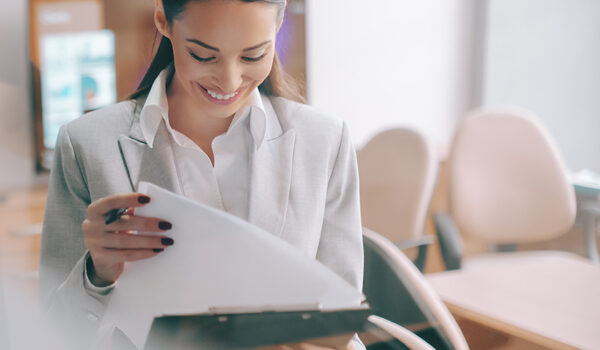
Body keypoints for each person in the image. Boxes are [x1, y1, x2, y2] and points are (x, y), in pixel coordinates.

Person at [40, 0, 364, 348]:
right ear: (164, 20)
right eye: (204, 55)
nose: (229, 80)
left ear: (279, 23)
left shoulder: (325, 140)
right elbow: (51, 330)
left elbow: (340, 326)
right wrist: (97, 274)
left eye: (253, 56)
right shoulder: (87, 145)